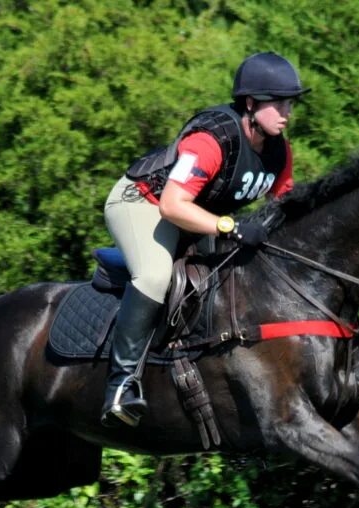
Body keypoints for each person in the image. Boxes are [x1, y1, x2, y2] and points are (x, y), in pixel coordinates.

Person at [101, 51, 309, 428]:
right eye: (277, 102)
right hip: (144, 203)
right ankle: (122, 383)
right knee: (153, 276)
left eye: (290, 102)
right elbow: (172, 205)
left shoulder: (280, 150)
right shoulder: (212, 140)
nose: (287, 112)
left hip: (196, 213)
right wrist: (230, 227)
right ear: (250, 104)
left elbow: (284, 207)